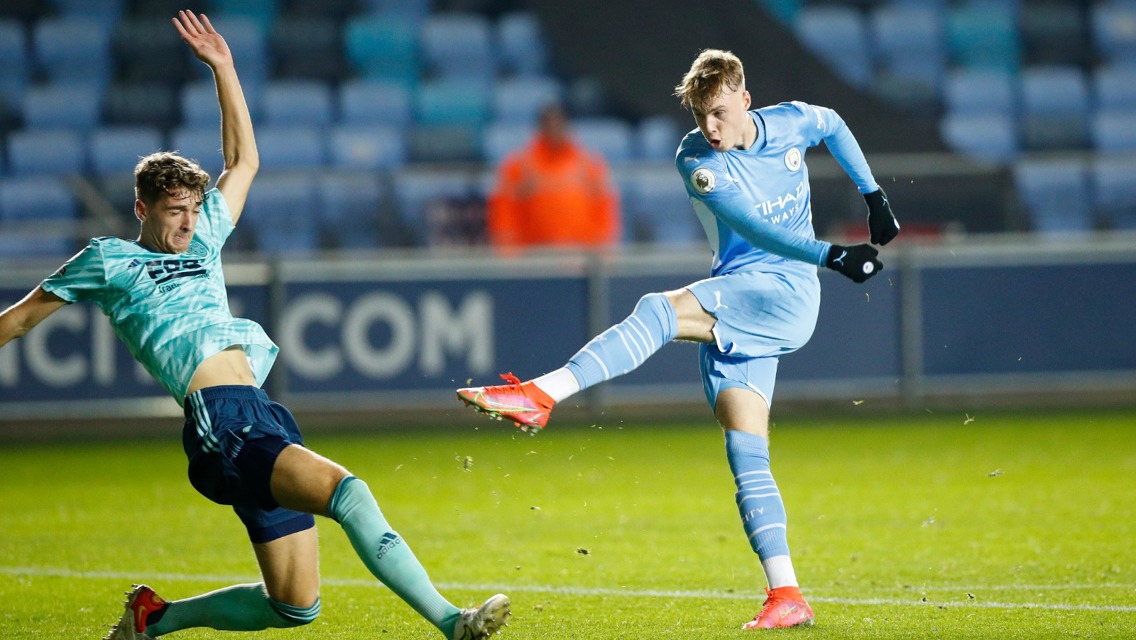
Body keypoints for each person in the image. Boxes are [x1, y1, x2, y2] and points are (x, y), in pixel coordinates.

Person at [0, 12, 510, 640]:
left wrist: (225, 67)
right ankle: (452, 623)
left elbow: (243, 163)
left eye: (192, 209)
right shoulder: (110, 260)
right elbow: (20, 319)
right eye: (173, 211)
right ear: (141, 209)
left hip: (260, 411)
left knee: (294, 606)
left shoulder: (203, 241)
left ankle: (152, 620)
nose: (187, 223)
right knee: (348, 493)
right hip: (220, 420)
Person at [456, 49, 899, 630]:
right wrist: (832, 254)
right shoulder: (696, 159)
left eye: (718, 112)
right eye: (699, 116)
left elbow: (834, 123)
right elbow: (752, 226)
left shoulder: (789, 121)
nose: (709, 127)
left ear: (744, 98)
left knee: (658, 311)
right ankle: (786, 593)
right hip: (744, 289)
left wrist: (873, 195)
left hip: (783, 295)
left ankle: (541, 394)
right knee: (746, 449)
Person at [486, 102, 621, 252]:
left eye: (559, 122)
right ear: (541, 127)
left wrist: (603, 248)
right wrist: (509, 253)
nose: (554, 128)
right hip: (534, 256)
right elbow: (504, 214)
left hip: (582, 256)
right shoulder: (519, 166)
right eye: (549, 123)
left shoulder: (590, 164)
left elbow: (605, 209)